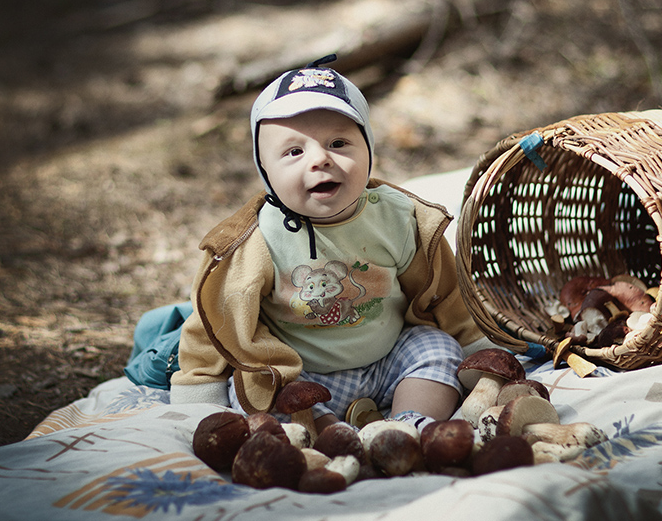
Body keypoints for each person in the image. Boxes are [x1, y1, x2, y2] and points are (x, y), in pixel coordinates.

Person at [169, 57, 489, 432]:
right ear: (265, 170)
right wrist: (200, 385)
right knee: (256, 388)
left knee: (437, 348)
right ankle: (327, 438)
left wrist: (475, 350)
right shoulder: (256, 240)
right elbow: (218, 317)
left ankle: (406, 427)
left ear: (369, 149)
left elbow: (443, 291)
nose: (320, 159)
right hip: (305, 375)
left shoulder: (399, 219)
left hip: (389, 363)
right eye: (294, 152)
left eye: (338, 143)